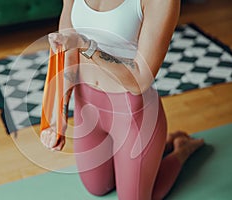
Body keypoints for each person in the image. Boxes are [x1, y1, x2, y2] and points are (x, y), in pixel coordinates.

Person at [40, 0, 205, 199]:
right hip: (87, 105)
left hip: (132, 113)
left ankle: (182, 150)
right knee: (97, 187)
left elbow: (140, 79)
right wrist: (60, 115)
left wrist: (87, 46)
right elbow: (67, 52)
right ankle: (159, 149)